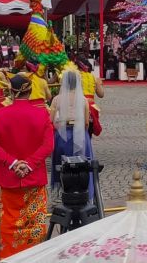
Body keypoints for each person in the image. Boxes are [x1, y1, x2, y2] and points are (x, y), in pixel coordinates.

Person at [0, 74, 53, 259]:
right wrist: (29, 164)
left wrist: (13, 163)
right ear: (31, 90)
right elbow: (48, 145)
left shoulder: (0, 114)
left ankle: (10, 257)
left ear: (11, 91)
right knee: (35, 225)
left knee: (9, 223)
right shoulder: (42, 113)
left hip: (10, 179)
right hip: (34, 178)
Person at [49, 67, 92, 200]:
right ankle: (82, 187)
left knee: (61, 163)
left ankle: (63, 189)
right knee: (83, 163)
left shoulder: (57, 99)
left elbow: (51, 120)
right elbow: (86, 122)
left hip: (63, 135)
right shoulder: (83, 99)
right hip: (80, 133)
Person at [76, 58, 104, 137]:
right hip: (92, 106)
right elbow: (101, 94)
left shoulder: (75, 76)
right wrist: (99, 84)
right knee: (89, 131)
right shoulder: (93, 77)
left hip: (79, 105)